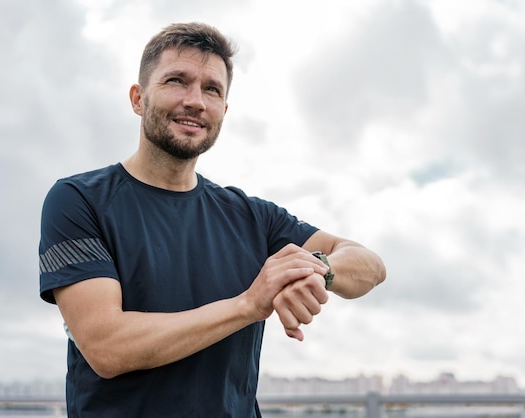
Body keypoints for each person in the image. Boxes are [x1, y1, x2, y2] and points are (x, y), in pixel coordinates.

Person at [39, 22, 386, 418]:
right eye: (176, 81)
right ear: (138, 98)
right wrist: (249, 304)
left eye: (212, 89)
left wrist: (315, 270)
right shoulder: (79, 200)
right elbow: (107, 347)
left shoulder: (253, 217)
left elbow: (369, 265)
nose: (196, 101)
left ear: (224, 109)